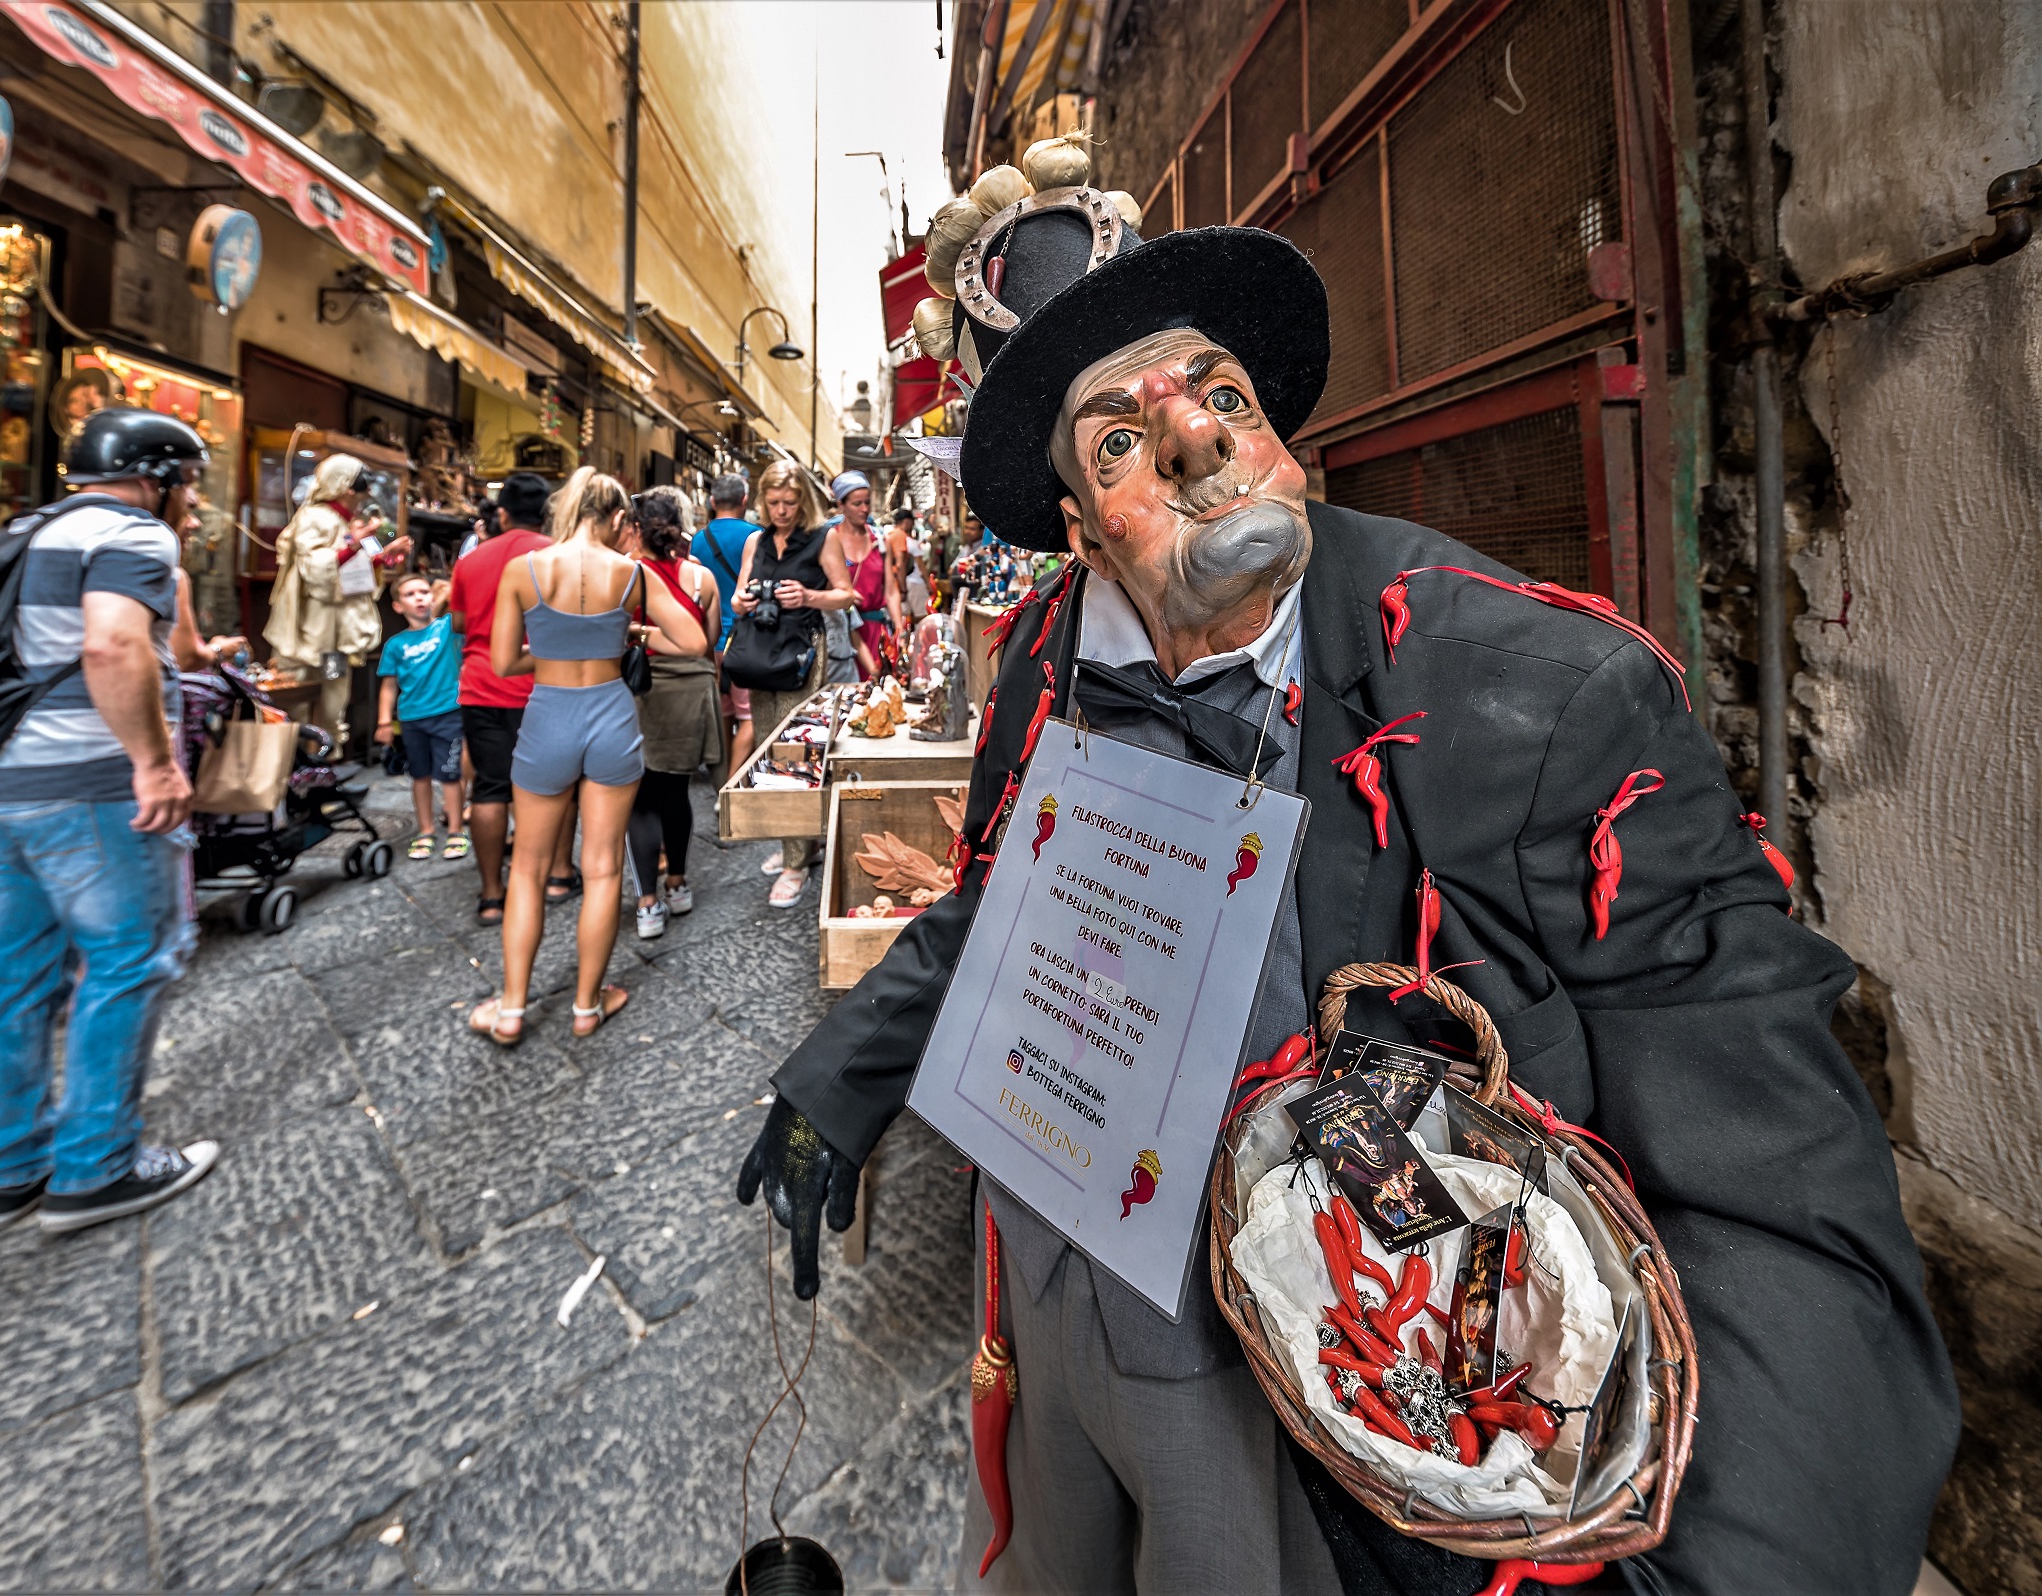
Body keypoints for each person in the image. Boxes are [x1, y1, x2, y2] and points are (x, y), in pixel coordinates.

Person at [738, 151, 1954, 1594]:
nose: (1194, 441)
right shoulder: (1051, 662)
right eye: (1120, 440)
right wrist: (845, 1076)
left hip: (1311, 1464)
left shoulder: (1543, 694)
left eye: (1222, 398)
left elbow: (1788, 1219)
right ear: (1077, 527)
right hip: (1059, 1338)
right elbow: (1006, 906)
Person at [0, 408, 222, 1234]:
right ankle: (95, 1169)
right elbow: (113, 647)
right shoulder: (130, 535)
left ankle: (14, 1168)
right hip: (86, 792)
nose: (189, 506)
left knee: (16, 977)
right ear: (157, 478)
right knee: (128, 962)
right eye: (186, 486)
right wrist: (155, 763)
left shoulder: (9, 540)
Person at [468, 469, 706, 1043]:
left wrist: (550, 654)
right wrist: (630, 637)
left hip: (548, 717)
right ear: (618, 519)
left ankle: (511, 1010)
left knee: (525, 869)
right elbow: (694, 641)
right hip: (610, 719)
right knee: (602, 868)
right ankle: (585, 1006)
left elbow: (502, 662)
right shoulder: (633, 574)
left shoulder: (522, 569)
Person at [450, 471, 574, 926]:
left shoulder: (473, 560)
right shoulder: (557, 556)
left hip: (482, 685)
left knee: (489, 787)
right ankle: (559, 874)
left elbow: (460, 622)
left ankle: (491, 895)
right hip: (547, 684)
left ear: (501, 514)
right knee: (558, 785)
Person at [733, 458, 855, 908]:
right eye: (773, 502)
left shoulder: (824, 538)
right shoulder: (755, 541)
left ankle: (795, 861)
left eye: (789, 502)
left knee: (797, 752)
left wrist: (807, 596)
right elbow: (738, 596)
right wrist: (743, 601)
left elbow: (846, 596)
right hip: (762, 655)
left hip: (802, 654)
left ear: (802, 501)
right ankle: (797, 842)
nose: (782, 510)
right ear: (762, 502)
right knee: (769, 749)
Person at [622, 486, 722, 940]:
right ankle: (678, 883)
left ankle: (647, 904)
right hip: (691, 692)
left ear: (636, 529)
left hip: (641, 691)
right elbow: (712, 640)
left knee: (641, 801)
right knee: (675, 793)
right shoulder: (702, 579)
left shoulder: (625, 576)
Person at [262, 453, 411, 742]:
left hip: (337, 638)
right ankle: (297, 760)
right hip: (307, 633)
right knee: (299, 691)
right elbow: (316, 569)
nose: (367, 490)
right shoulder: (313, 518)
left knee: (334, 690)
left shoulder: (351, 521)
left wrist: (383, 557)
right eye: (361, 482)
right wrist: (354, 544)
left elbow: (356, 571)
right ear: (345, 486)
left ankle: (328, 754)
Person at [373, 572, 467, 862]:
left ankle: (455, 830)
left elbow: (458, 600)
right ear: (398, 606)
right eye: (411, 594)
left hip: (449, 715)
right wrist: (384, 721)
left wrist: (443, 593)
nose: (419, 598)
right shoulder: (395, 645)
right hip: (412, 718)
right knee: (420, 776)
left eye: (424, 592)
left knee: (451, 776)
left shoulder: (447, 628)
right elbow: (389, 686)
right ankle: (425, 831)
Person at [692, 472, 758, 778]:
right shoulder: (755, 535)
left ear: (712, 501)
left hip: (709, 639)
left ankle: (720, 783)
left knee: (724, 715)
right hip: (745, 641)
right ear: (744, 501)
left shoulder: (698, 539)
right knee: (749, 717)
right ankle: (732, 787)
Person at [831, 469, 893, 675]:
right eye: (857, 504)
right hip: (841, 633)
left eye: (867, 502)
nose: (864, 509)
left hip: (876, 630)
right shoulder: (830, 541)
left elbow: (891, 590)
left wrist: (900, 630)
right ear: (841, 505)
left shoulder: (880, 541)